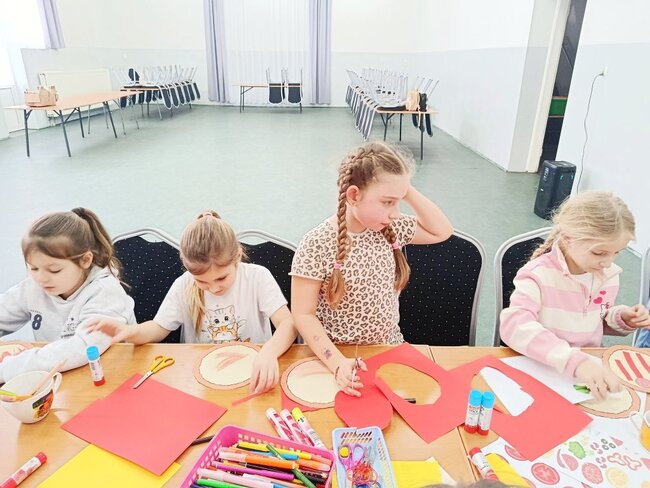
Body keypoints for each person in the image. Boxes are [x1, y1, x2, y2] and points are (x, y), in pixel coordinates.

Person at [291, 142, 453, 396]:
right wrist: (337, 364)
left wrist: (405, 189)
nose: (396, 213)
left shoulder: (391, 228)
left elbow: (442, 231)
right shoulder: (316, 243)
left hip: (388, 349)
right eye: (387, 202)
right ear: (354, 196)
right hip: (336, 358)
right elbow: (303, 314)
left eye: (399, 202)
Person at [89, 211, 296, 393]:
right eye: (202, 281)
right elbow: (158, 328)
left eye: (222, 278)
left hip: (252, 374)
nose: (214, 288)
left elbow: (288, 324)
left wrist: (269, 353)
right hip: (200, 380)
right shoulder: (184, 284)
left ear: (237, 257)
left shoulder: (258, 277)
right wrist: (130, 332)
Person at [500, 191, 650, 399]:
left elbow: (594, 319)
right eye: (599, 253)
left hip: (585, 375)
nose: (608, 262)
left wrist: (621, 318)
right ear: (568, 239)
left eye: (617, 252)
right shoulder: (538, 274)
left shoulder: (607, 274)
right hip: (541, 369)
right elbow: (514, 326)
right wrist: (575, 362)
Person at [0, 208, 135, 383]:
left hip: (112, 377)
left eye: (54, 270)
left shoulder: (105, 292)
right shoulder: (34, 286)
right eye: (33, 268)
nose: (41, 278)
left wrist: (9, 368)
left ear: (85, 260)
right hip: (62, 376)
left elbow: (82, 347)